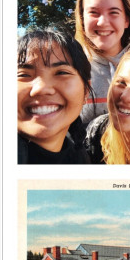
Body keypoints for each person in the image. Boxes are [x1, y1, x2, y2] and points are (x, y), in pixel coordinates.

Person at [74, 0, 130, 125]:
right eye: (93, 12)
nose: (103, 22)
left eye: (113, 12)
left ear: (126, 20)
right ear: (82, 18)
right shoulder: (69, 68)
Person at [17, 26, 93, 164]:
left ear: (86, 91)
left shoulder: (81, 160)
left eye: (61, 73)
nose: (41, 88)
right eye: (23, 75)